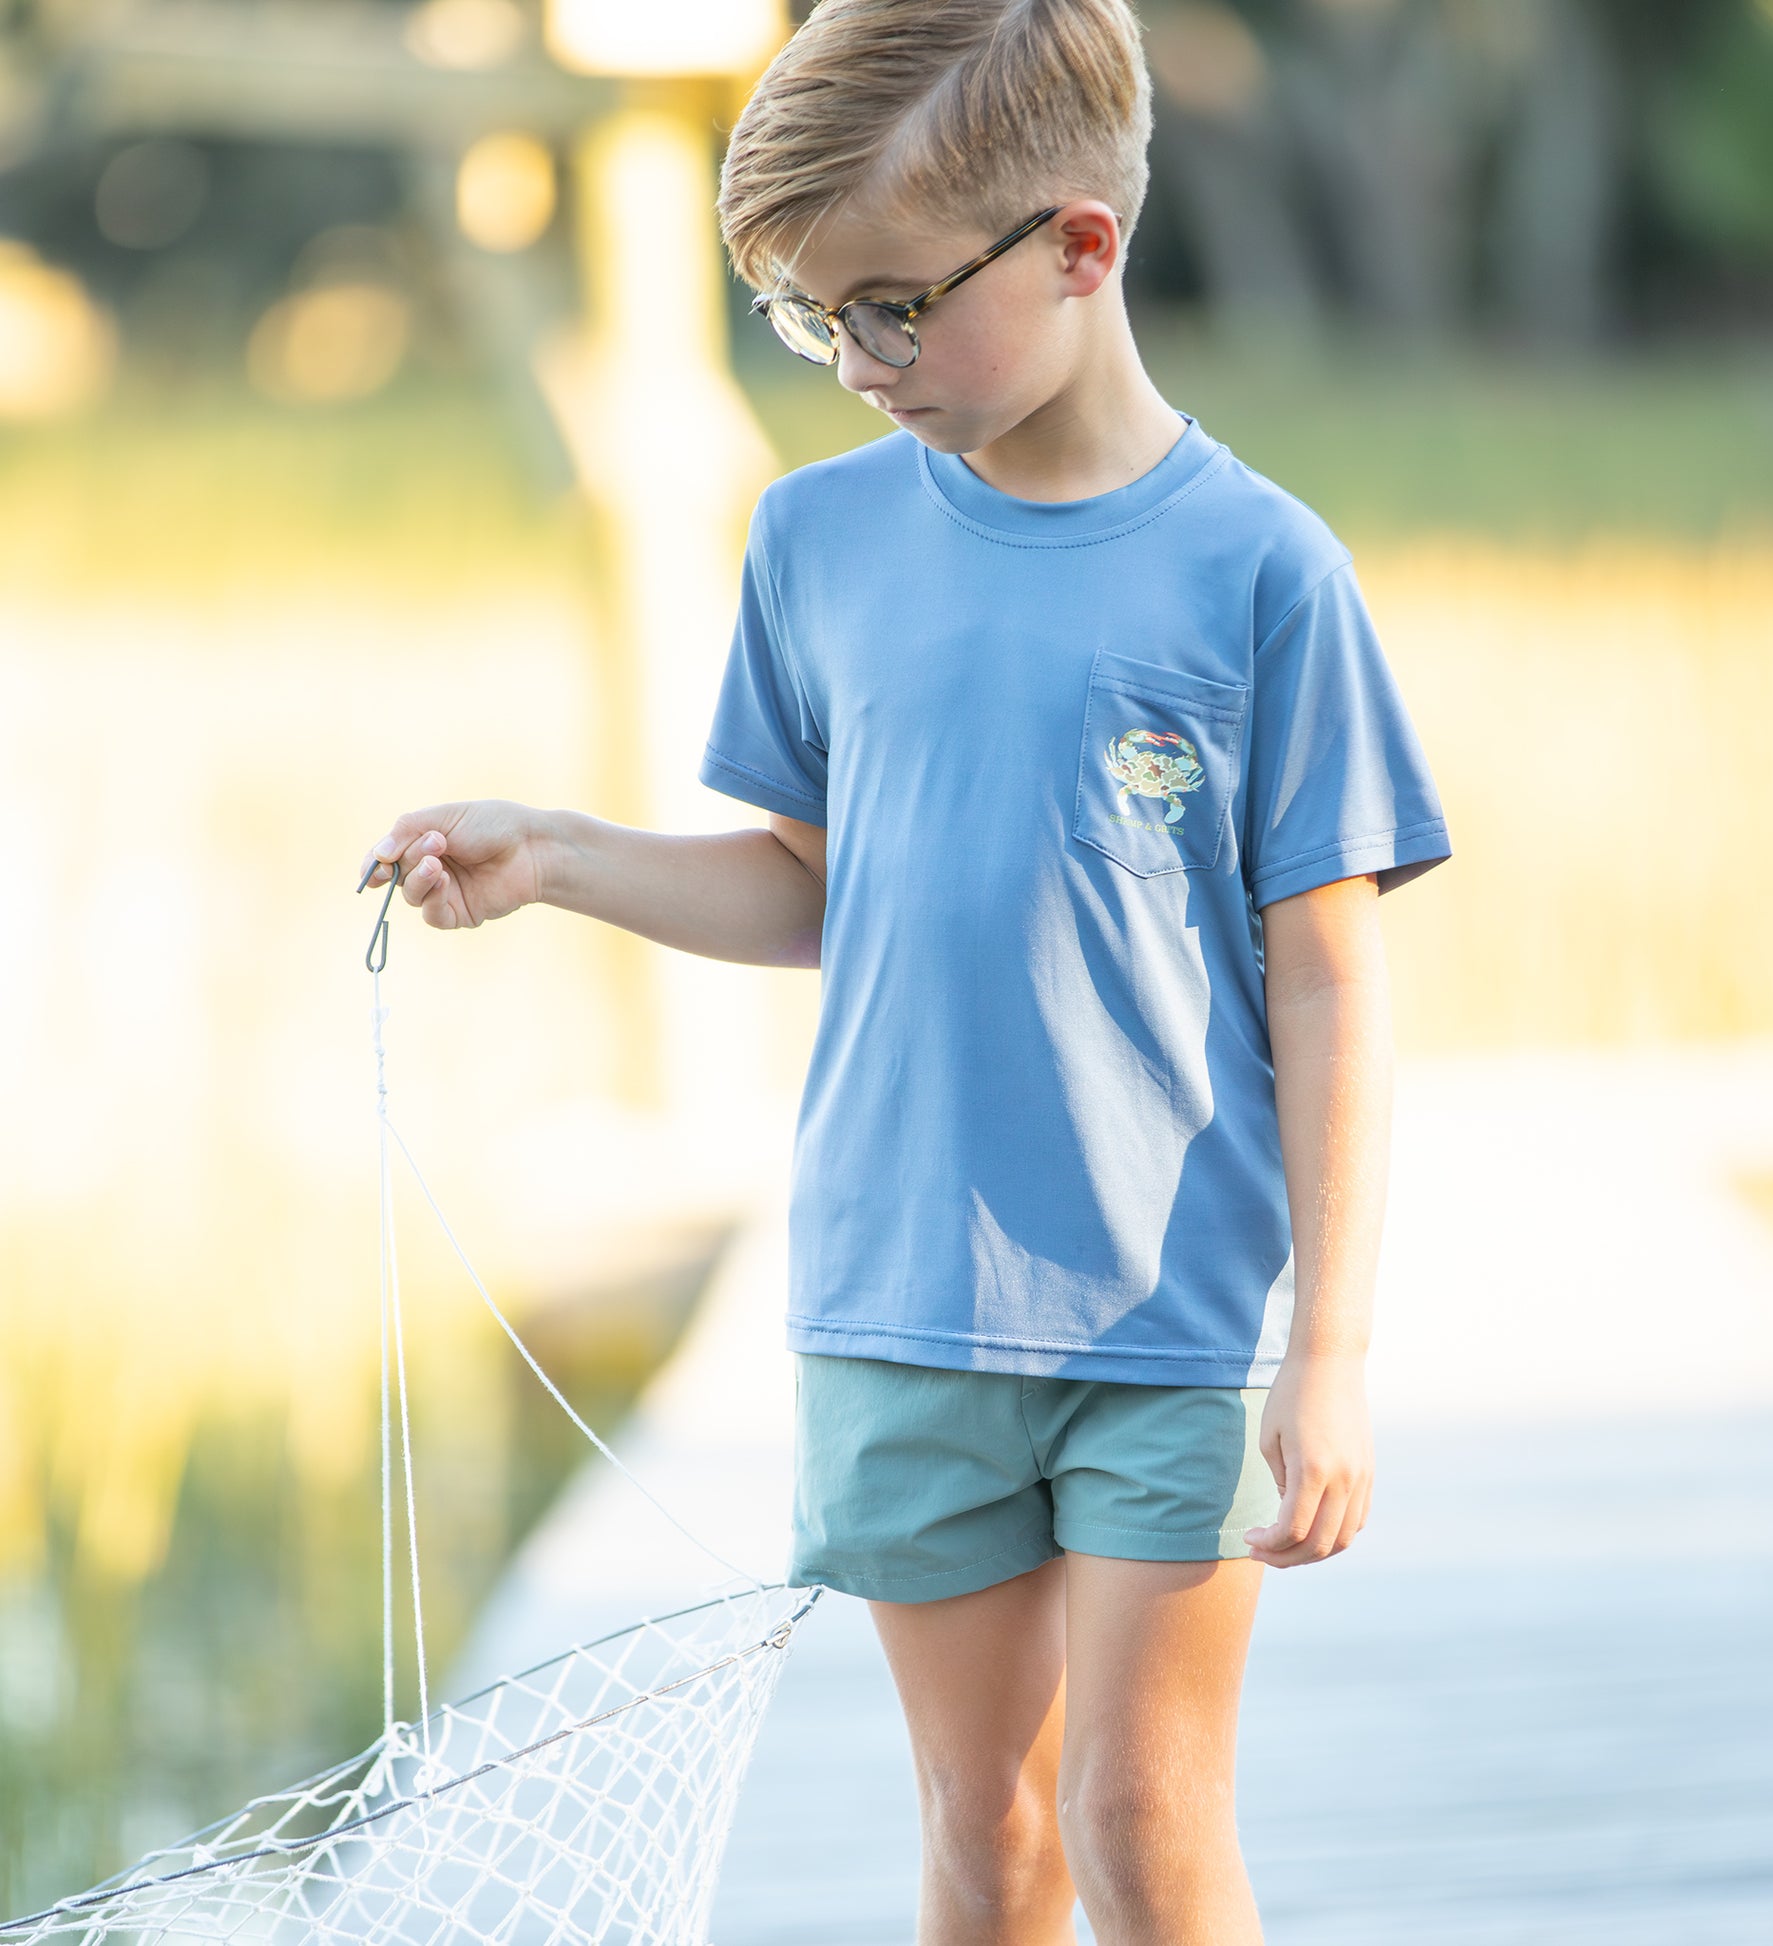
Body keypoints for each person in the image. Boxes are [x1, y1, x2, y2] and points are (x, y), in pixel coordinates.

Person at [360, 1, 1452, 1937]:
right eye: (808, 319)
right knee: (990, 1828)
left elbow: (1330, 985)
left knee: (1140, 1815)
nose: (854, 366)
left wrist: (1334, 1351)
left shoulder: (1263, 574)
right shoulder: (816, 541)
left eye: (887, 309)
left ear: (1079, 247)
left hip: (1170, 1317)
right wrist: (560, 858)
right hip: (897, 1307)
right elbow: (813, 888)